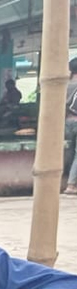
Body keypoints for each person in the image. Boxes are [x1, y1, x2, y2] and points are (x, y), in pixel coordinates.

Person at [64, 58, 77, 195]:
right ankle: (71, 185)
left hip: (66, 122)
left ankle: (64, 179)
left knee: (69, 152)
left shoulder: (64, 84)